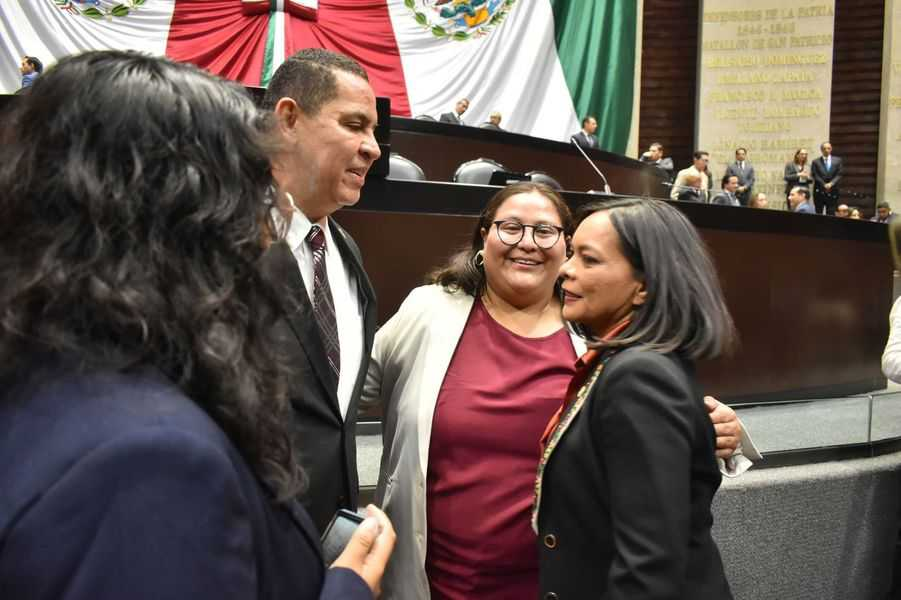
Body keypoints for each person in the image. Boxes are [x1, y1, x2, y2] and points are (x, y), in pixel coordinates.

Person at [0, 50, 393, 600]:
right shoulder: (150, 457)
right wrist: (347, 591)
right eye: (241, 182)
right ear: (177, 207)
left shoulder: (46, 360)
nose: (264, 216)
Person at [363, 182, 757, 600]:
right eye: (511, 227)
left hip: (563, 583)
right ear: (484, 235)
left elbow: (651, 446)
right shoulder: (429, 311)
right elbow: (344, 395)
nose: (527, 242)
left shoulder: (598, 332)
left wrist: (716, 427)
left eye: (545, 231)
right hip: (441, 582)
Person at [535, 197, 736, 599]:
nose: (566, 269)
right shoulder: (626, 362)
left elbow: (649, 566)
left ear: (644, 286)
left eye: (589, 259)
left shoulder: (639, 375)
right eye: (571, 253)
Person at [259, 48, 381, 534]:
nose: (373, 148)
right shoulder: (218, 243)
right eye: (354, 125)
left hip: (328, 542)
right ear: (289, 119)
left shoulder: (348, 252)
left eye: (373, 131)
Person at [811, 141, 843, 215]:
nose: (826, 150)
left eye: (828, 148)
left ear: (831, 149)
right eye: (824, 148)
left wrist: (831, 183)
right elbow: (815, 174)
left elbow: (839, 174)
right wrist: (824, 184)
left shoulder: (838, 160)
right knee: (818, 212)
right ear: (821, 150)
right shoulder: (816, 161)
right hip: (819, 190)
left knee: (831, 213)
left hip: (833, 189)